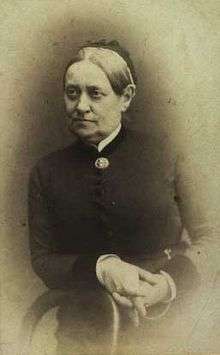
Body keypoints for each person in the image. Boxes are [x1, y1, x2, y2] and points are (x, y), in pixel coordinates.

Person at [28, 40, 218, 354]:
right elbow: (43, 260)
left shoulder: (167, 157)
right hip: (82, 337)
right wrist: (103, 268)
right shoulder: (47, 171)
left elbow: (213, 238)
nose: (81, 106)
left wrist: (167, 286)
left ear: (125, 97)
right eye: (72, 92)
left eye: (95, 93)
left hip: (166, 333)